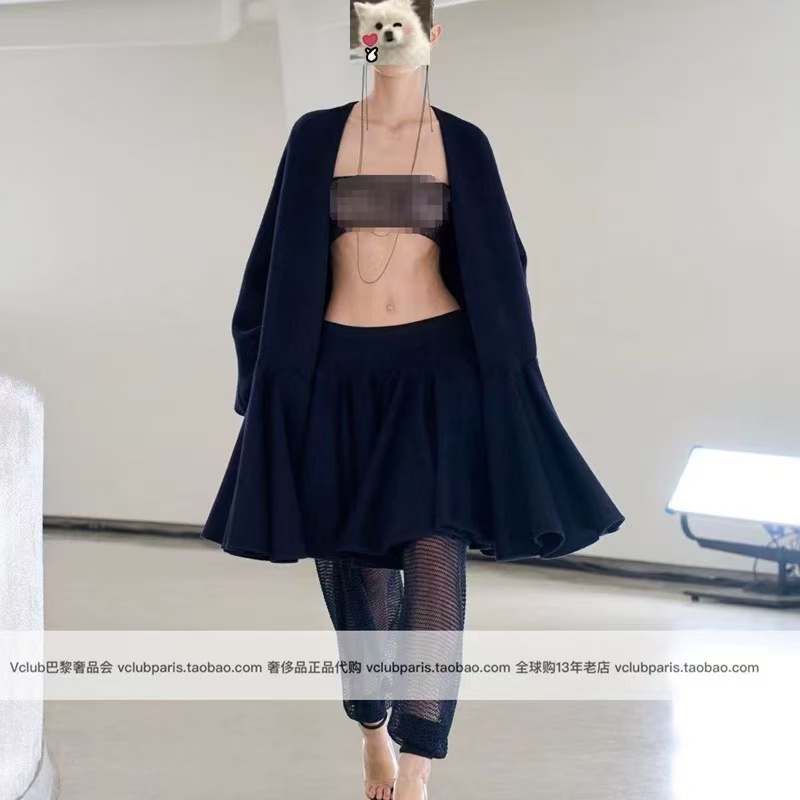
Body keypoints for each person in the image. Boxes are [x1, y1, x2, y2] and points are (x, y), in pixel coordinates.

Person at [201, 11, 625, 800]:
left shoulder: (462, 142)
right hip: (337, 375)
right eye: (373, 19)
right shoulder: (316, 136)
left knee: (435, 548)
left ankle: (420, 759)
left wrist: (510, 390)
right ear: (357, 36)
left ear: (435, 35)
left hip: (439, 372)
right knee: (358, 573)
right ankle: (372, 727)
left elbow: (501, 266)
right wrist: (268, 381)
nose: (387, 33)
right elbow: (274, 261)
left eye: (401, 17)